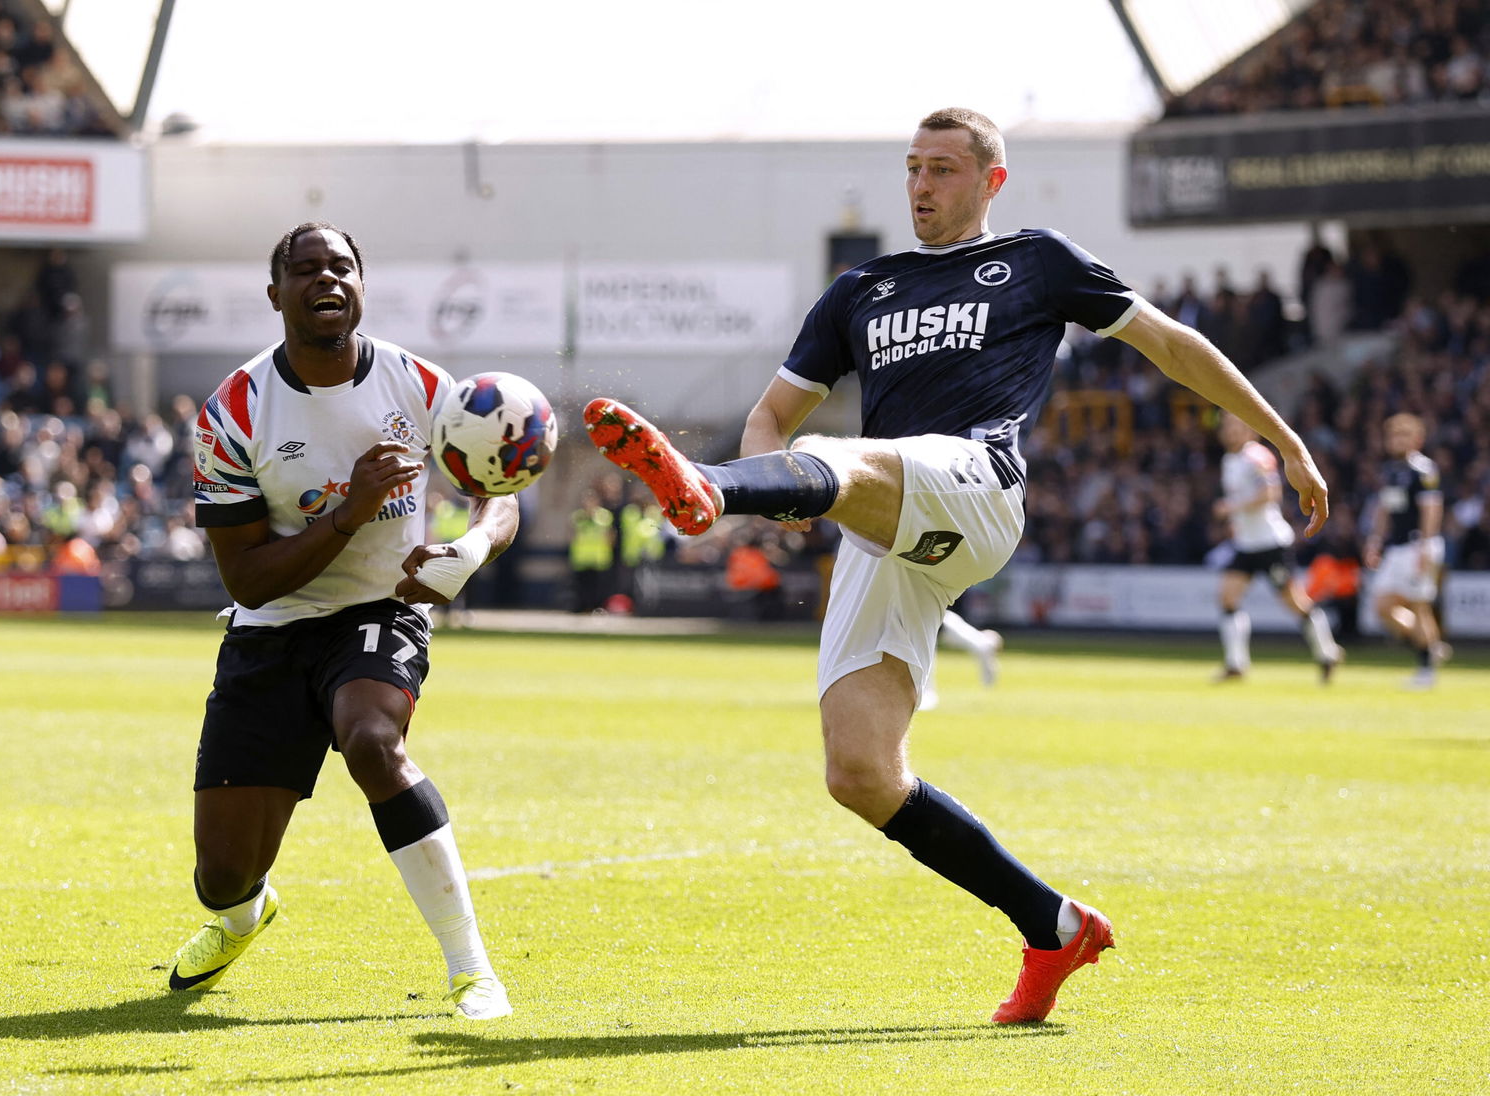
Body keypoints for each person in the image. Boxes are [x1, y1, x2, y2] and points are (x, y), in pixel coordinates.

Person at [583, 107, 1329, 1024]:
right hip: (882, 522)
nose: (922, 186)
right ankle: (1054, 926)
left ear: (990, 180)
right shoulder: (860, 288)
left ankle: (706, 490)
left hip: (976, 487)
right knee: (859, 773)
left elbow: (1171, 345)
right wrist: (771, 485)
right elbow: (773, 416)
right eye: (912, 168)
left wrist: (1283, 439)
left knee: (852, 456)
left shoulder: (1037, 262)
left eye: (941, 168)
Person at [170, 222, 519, 1019]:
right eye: (306, 270)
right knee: (220, 876)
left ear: (362, 284)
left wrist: (471, 548)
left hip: (379, 613)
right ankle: (246, 915)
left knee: (374, 743)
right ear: (275, 295)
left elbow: (499, 489)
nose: (326, 279)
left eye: (342, 267)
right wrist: (352, 514)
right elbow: (248, 581)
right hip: (270, 628)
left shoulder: (420, 384)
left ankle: (473, 970)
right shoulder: (232, 413)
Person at [1212, 412, 1342, 683]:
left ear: (1250, 430)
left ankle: (1327, 652)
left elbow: (1271, 494)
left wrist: (1232, 507)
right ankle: (1236, 663)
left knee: (1294, 602)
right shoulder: (1229, 460)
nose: (1230, 432)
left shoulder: (1256, 456)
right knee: (1227, 598)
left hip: (1270, 543)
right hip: (1246, 544)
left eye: (1236, 426)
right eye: (1227, 427)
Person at [1364, 413, 1447, 689]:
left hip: (1417, 545)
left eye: (1404, 435)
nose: (1397, 441)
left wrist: (1425, 545)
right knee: (1382, 606)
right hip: (1397, 548)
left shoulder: (1424, 471)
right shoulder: (1390, 471)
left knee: (1419, 606)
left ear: (1417, 439)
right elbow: (1385, 509)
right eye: (1393, 436)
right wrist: (1375, 540)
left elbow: (1431, 509)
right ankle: (1430, 645)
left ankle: (1426, 670)